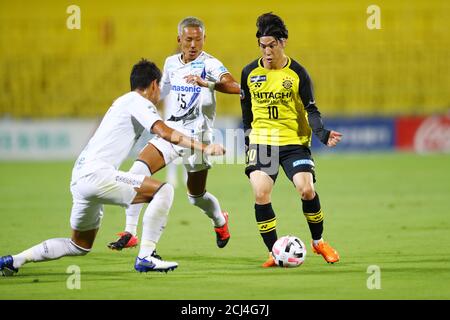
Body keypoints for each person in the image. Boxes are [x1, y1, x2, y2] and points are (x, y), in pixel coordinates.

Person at [0, 59, 225, 276]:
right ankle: (146, 257)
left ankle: (15, 260)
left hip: (80, 179)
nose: (160, 96)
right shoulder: (139, 102)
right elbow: (165, 133)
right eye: (159, 89)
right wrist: (204, 148)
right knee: (164, 191)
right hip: (98, 175)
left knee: (79, 245)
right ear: (154, 85)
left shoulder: (123, 101)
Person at [107, 16, 240, 251]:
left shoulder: (210, 65)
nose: (193, 45)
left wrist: (207, 84)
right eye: (188, 40)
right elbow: (161, 92)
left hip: (198, 138)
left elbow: (234, 86)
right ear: (179, 39)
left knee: (196, 197)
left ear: (204, 39)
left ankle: (220, 220)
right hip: (171, 132)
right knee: (136, 172)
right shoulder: (170, 63)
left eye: (198, 40)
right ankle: (130, 232)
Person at [240, 13, 343, 267]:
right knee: (261, 193)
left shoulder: (297, 73)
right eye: (262, 46)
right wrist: (248, 142)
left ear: (283, 42)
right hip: (263, 141)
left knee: (306, 189)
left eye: (271, 45)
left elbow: (312, 109)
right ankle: (274, 253)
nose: (267, 51)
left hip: (294, 142)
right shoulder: (249, 73)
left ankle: (318, 242)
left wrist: (323, 134)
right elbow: (246, 114)